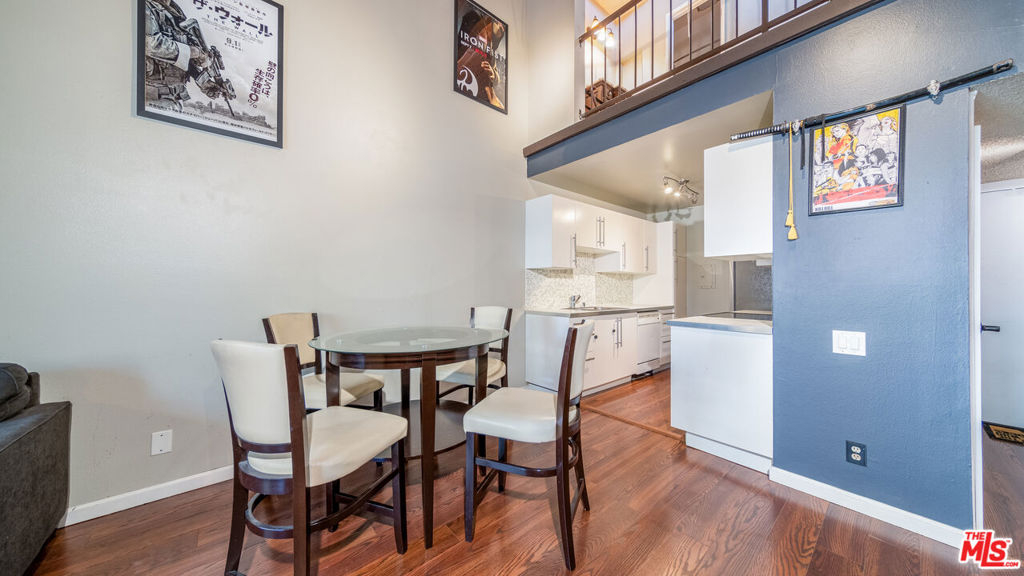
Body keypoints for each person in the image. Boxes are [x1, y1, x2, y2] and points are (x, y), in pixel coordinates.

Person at [143, 0, 230, 110]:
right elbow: (152, 44)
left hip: (175, 99)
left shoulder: (175, 12)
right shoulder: (146, 5)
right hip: (152, 97)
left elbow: (179, 58)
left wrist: (202, 81)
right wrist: (194, 52)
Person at [455, 8, 506, 111]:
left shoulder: (491, 52)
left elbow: (496, 77)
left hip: (477, 92)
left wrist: (493, 74)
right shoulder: (474, 19)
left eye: (501, 30)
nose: (501, 26)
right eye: (498, 24)